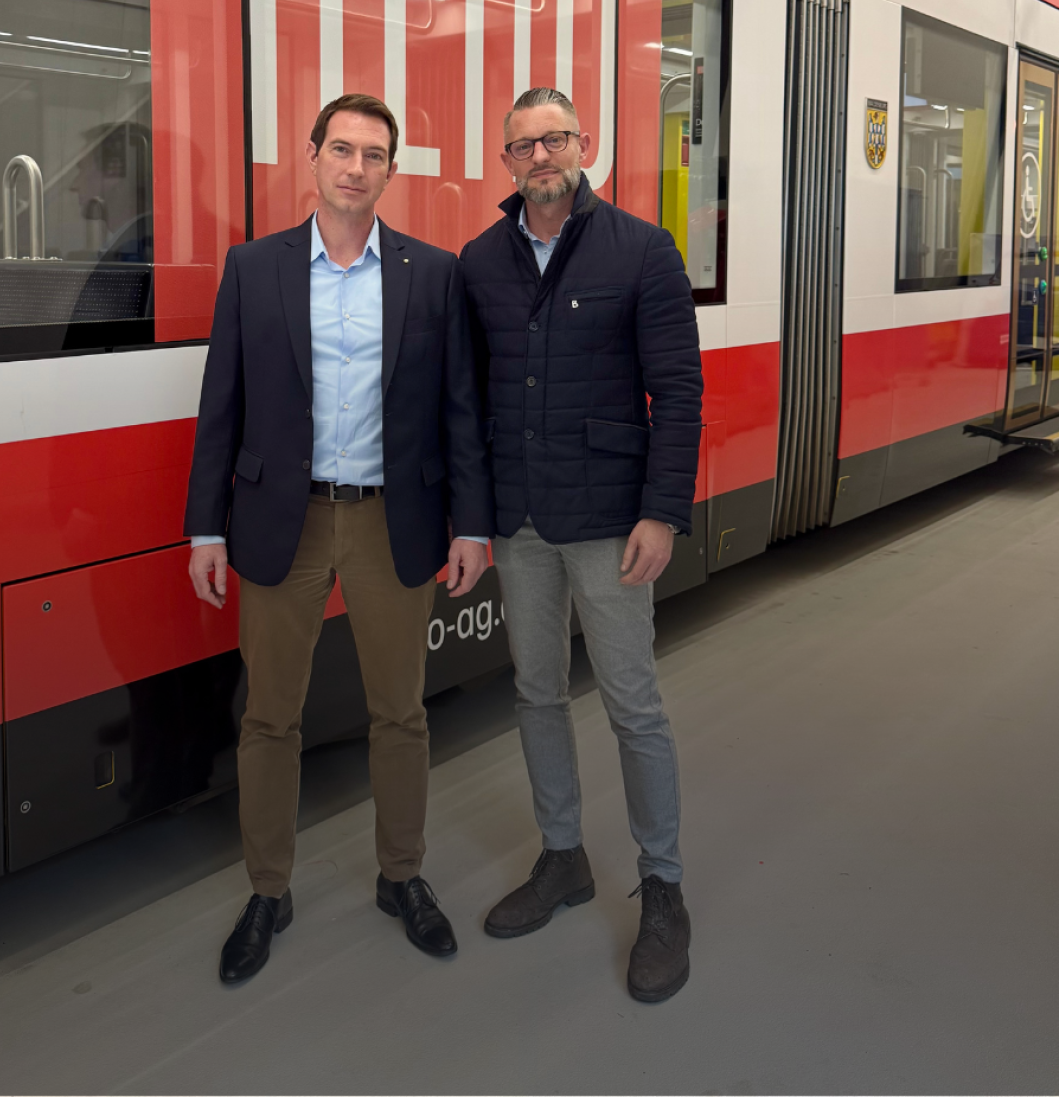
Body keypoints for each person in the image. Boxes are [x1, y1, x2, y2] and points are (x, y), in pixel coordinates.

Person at [185, 93, 493, 984]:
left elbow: (460, 410)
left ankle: (402, 876)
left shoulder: (434, 274)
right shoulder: (255, 268)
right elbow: (221, 403)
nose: (357, 168)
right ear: (312, 157)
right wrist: (205, 526)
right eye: (343, 150)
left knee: (400, 712)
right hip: (282, 521)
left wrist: (471, 523)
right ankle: (268, 890)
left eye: (375, 154)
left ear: (392, 170)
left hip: (395, 520)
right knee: (269, 716)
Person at [458, 87, 703, 1003]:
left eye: (554, 139)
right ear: (506, 161)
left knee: (633, 704)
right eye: (523, 145)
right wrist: (471, 518)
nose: (541, 156)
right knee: (536, 692)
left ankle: (664, 887)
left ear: (583, 144)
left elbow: (678, 392)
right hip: (519, 521)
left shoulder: (642, 249)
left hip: (609, 521)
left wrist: (661, 512)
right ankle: (563, 857)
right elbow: (467, 401)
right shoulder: (479, 261)